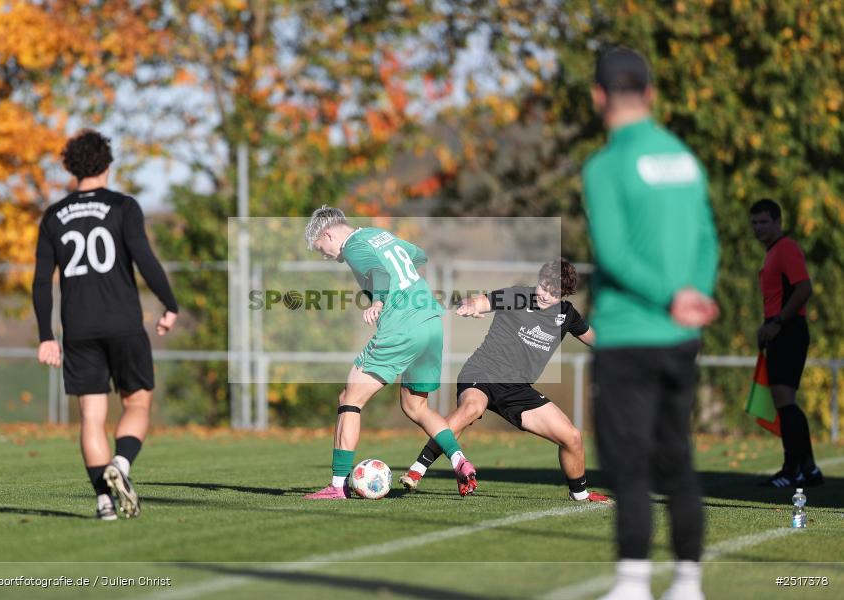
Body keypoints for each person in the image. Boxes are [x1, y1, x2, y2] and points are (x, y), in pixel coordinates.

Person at [583, 48, 720, 600]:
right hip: (680, 338)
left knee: (629, 464)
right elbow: (708, 239)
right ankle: (688, 583)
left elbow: (613, 252)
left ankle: (633, 584)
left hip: (626, 333)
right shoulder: (684, 157)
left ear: (598, 96)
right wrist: (695, 296)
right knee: (677, 457)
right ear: (651, 94)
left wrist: (669, 296)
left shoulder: (604, 165)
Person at [33, 130, 179, 520]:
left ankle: (102, 503)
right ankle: (122, 464)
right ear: (107, 165)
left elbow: (40, 282)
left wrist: (47, 336)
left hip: (77, 329)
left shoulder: (53, 216)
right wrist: (169, 304)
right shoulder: (123, 206)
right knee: (138, 401)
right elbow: (145, 259)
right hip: (123, 323)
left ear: (70, 168)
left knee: (91, 417)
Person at [399, 258, 610, 503]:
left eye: (554, 292)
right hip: (482, 372)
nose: (545, 294)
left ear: (564, 294)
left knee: (572, 437)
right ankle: (417, 470)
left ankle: (580, 493)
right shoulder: (517, 296)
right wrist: (471, 306)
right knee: (471, 408)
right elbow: (482, 301)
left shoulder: (567, 314)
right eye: (544, 286)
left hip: (517, 388)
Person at [303, 206, 476, 499]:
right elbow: (418, 255)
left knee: (349, 399)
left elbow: (378, 272)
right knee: (415, 407)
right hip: (431, 322)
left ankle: (337, 485)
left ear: (328, 234)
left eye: (322, 248)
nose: (325, 255)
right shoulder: (377, 235)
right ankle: (460, 460)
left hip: (403, 326)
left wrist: (379, 301)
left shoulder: (355, 246)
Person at [750, 198, 822, 488]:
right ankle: (808, 468)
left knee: (784, 400)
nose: (758, 228)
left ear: (778, 222)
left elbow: (804, 288)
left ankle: (794, 470)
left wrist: (777, 322)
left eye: (764, 222)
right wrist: (767, 326)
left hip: (788, 330)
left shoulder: (786, 248)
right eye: (754, 223)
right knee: (785, 401)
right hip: (779, 329)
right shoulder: (772, 253)